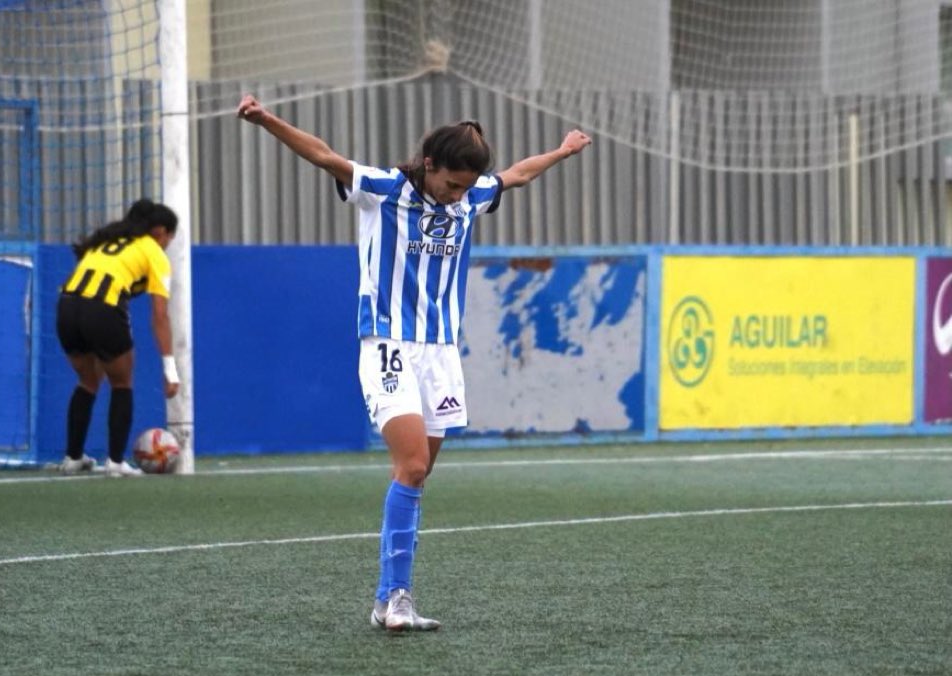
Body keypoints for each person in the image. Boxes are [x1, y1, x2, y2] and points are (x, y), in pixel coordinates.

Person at [237, 93, 591, 631]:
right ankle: (396, 596)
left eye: (467, 188)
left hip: (443, 353)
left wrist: (563, 151)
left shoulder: (471, 198)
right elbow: (325, 156)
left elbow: (517, 175)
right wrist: (265, 120)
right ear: (429, 165)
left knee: (416, 477)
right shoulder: (383, 190)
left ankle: (388, 600)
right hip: (387, 345)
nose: (458, 196)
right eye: (452, 184)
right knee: (414, 465)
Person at [56, 199, 181, 477]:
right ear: (160, 231)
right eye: (169, 239)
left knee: (88, 382)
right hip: (101, 307)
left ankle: (73, 457)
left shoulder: (107, 241)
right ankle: (115, 462)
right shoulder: (153, 251)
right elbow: (160, 315)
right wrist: (170, 370)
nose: (168, 245)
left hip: (66, 306)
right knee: (121, 382)